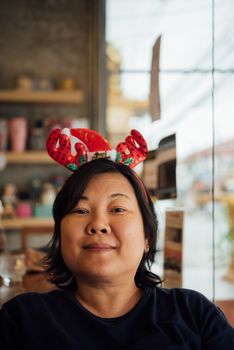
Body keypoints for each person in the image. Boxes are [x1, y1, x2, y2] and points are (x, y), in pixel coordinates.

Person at [0, 128, 234, 350]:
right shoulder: (21, 320)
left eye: (118, 209)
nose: (98, 225)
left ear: (147, 237)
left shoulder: (194, 314)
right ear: (60, 234)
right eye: (81, 211)